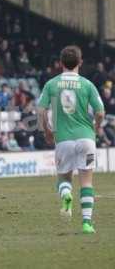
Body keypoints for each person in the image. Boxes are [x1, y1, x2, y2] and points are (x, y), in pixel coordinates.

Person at [38, 46, 105, 234]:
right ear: (80, 62)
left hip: (64, 140)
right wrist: (96, 127)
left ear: (61, 63)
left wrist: (47, 130)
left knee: (64, 178)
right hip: (87, 139)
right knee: (87, 181)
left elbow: (41, 110)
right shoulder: (87, 84)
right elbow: (100, 112)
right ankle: (86, 223)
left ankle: (66, 194)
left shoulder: (51, 84)